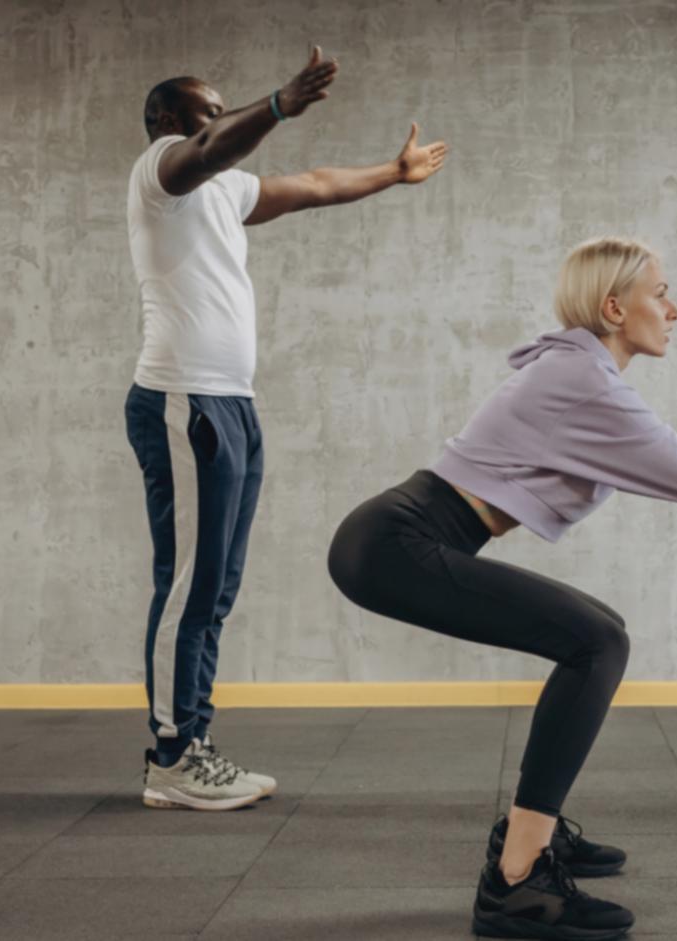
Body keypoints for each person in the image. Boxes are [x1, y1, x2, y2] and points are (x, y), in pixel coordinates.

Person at [327, 237, 677, 940]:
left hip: (396, 536)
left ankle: (535, 828)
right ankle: (517, 882)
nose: (673, 309)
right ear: (615, 307)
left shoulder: (578, 371)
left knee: (599, 627)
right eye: (661, 293)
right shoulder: (583, 383)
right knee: (598, 642)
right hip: (395, 544)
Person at [124, 46, 449, 811]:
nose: (219, 118)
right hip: (184, 400)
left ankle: (193, 744)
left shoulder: (223, 192)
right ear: (169, 123)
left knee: (219, 584)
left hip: (232, 402)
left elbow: (312, 185)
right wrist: (276, 104)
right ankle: (170, 756)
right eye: (208, 109)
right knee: (186, 585)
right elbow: (212, 145)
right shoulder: (163, 172)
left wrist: (390, 174)